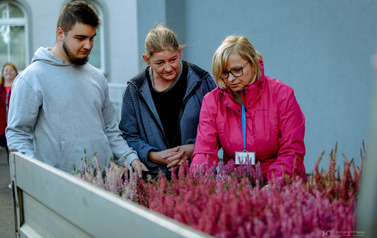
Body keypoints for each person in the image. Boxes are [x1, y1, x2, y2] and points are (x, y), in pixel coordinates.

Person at [6, 1, 147, 176]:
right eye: (80, 38)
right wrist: (36, 175)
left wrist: (129, 157)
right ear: (60, 33)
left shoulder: (96, 77)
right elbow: (18, 134)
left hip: (102, 182)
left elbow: (110, 129)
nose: (88, 45)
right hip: (57, 184)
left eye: (92, 37)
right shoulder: (31, 78)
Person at [191, 35, 306, 183]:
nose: (231, 79)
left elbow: (292, 151)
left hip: (281, 186)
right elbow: (204, 152)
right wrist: (199, 184)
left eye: (237, 70)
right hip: (237, 185)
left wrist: (274, 186)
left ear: (253, 63)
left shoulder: (282, 95)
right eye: (225, 73)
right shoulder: (212, 101)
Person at [119, 25, 216, 176]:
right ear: (147, 60)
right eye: (159, 63)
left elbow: (219, 127)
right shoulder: (134, 90)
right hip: (154, 178)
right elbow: (128, 135)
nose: (168, 67)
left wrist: (194, 149)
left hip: (198, 176)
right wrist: (152, 155)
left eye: (173, 59)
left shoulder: (201, 81)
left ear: (180, 51)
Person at [0, 62, 18, 163]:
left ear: (16, 73)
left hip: (14, 125)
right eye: (6, 70)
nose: (9, 72)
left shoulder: (19, 87)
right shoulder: (0, 88)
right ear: (2, 73)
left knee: (11, 154)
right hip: (1, 127)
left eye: (11, 70)